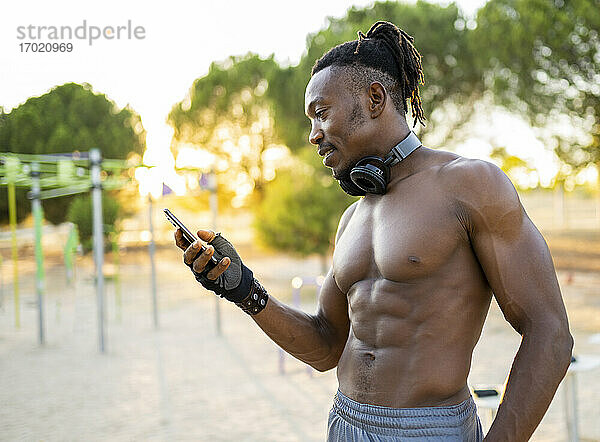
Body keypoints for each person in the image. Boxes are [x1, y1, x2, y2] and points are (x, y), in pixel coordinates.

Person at [174, 21, 573, 441]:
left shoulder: (471, 184)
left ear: (375, 98)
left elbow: (550, 332)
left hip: (428, 430)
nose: (313, 135)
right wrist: (243, 289)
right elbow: (326, 345)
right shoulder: (353, 219)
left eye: (321, 113)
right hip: (344, 424)